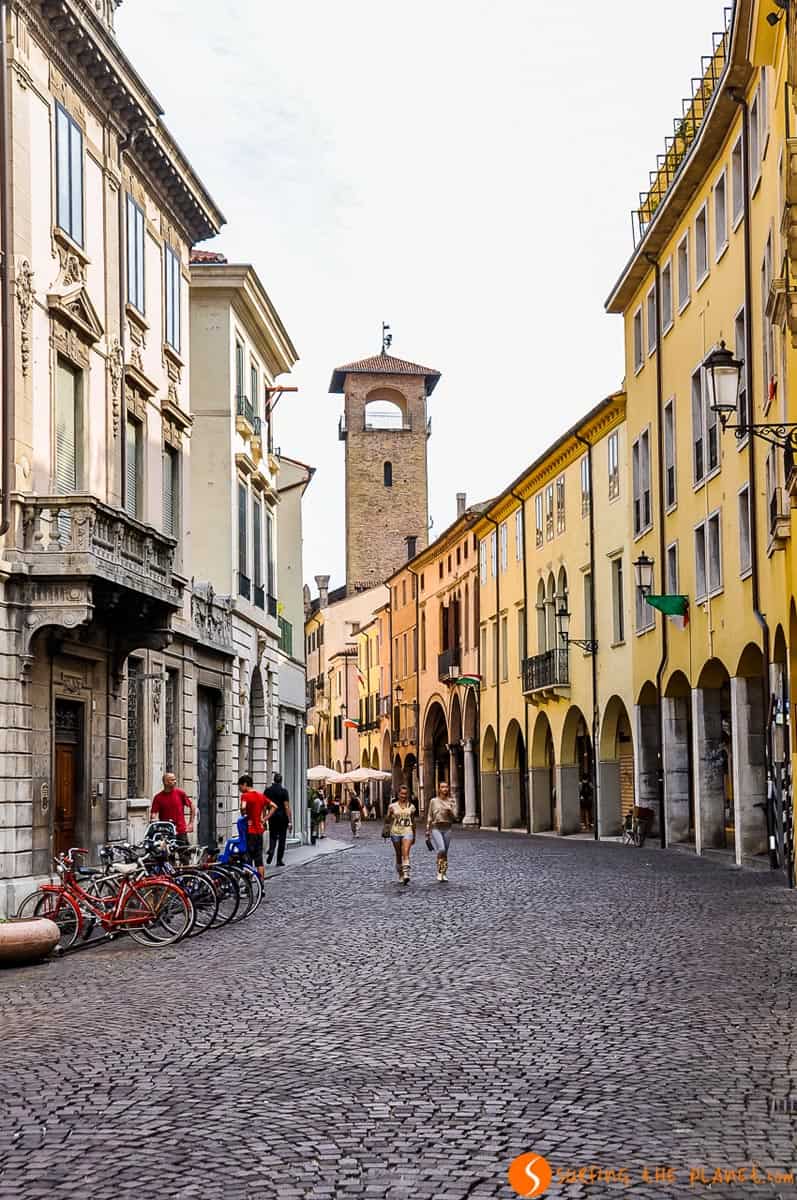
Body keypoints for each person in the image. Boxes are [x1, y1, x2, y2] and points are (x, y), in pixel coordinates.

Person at [238, 773, 276, 879]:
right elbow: (274, 806)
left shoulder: (245, 796)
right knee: (259, 860)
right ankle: (261, 883)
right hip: (259, 831)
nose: (240, 789)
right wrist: (265, 818)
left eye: (240, 786)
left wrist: (243, 813)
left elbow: (243, 807)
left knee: (248, 858)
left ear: (245, 784)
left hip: (250, 831)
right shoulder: (260, 796)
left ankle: (248, 883)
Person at [382, 784, 416, 885]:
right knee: (398, 854)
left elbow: (413, 821)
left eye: (405, 794)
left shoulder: (412, 807)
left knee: (405, 852)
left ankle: (406, 873)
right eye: (402, 794)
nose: (403, 796)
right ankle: (400, 874)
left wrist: (414, 834)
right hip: (395, 832)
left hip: (407, 831)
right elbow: (387, 820)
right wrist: (389, 814)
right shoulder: (392, 806)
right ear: (398, 794)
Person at [425, 780, 458, 883]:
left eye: (446, 787)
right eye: (442, 787)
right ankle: (439, 872)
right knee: (441, 849)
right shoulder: (433, 801)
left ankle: (444, 873)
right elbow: (430, 815)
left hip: (447, 828)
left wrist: (450, 811)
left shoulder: (451, 801)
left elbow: (455, 817)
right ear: (439, 789)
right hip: (436, 828)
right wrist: (427, 829)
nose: (445, 789)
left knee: (445, 852)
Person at [150, 773, 195, 846]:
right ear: (165, 782)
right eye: (172, 780)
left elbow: (192, 806)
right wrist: (153, 818)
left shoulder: (180, 793)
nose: (175, 781)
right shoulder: (158, 797)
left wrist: (191, 823)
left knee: (184, 851)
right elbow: (154, 813)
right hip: (166, 831)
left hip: (180, 831)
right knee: (164, 852)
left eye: (175, 779)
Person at [265, 773, 292, 867]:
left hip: (272, 816)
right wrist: (290, 821)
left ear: (274, 780)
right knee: (282, 839)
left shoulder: (268, 791)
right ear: (281, 781)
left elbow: (264, 806)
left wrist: (264, 817)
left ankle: (271, 849)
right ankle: (279, 860)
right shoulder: (284, 791)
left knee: (272, 835)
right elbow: (286, 806)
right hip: (282, 818)